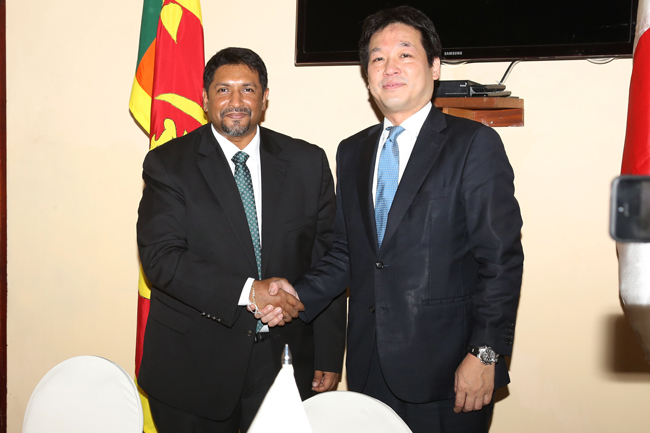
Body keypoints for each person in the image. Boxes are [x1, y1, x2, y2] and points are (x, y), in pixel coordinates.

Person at [266, 6, 523, 433]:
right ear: (367, 76)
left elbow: (501, 262)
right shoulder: (351, 152)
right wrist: (295, 293)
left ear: (435, 66)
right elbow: (347, 254)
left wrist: (486, 354)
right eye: (377, 58)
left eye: (405, 54)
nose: (390, 67)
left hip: (451, 371)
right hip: (369, 367)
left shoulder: (473, 144)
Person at [136, 47, 347, 433]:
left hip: (284, 362)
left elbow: (329, 258)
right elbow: (162, 259)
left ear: (264, 98)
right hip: (193, 369)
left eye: (248, 90)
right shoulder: (168, 164)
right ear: (204, 98)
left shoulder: (308, 162)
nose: (236, 102)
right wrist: (251, 291)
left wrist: (329, 353)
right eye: (223, 90)